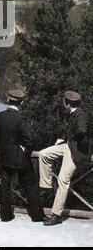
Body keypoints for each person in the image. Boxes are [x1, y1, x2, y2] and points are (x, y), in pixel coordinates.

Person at [39, 91, 90, 226]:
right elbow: (72, 131)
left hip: (75, 151)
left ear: (67, 104)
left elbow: (82, 131)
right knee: (44, 154)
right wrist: (64, 138)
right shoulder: (72, 114)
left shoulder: (81, 115)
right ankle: (46, 185)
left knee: (63, 180)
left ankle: (56, 215)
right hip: (68, 146)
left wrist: (70, 137)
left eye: (64, 101)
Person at [0, 89, 45, 222]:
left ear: (8, 100)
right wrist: (22, 148)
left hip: (5, 156)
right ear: (21, 102)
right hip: (20, 158)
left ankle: (5, 215)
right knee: (32, 185)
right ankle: (37, 216)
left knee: (5, 185)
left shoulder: (0, 116)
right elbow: (31, 140)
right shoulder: (21, 118)